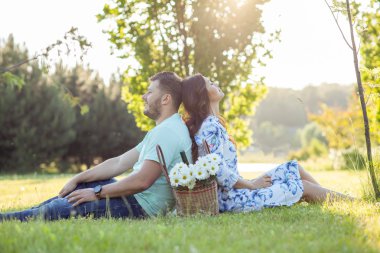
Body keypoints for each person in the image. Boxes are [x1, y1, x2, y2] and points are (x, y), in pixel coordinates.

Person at [0, 71, 192, 221]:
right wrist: (78, 177)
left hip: (140, 207)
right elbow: (119, 162)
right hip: (136, 199)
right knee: (81, 186)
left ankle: (10, 219)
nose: (144, 96)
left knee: (61, 208)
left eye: (150, 92)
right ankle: (29, 213)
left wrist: (97, 193)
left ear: (166, 99)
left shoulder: (167, 132)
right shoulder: (166, 128)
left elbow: (142, 181)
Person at [181, 73, 353, 213]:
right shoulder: (209, 126)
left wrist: (249, 184)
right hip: (232, 200)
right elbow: (219, 170)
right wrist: (251, 185)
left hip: (235, 193)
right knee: (303, 187)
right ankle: (353, 203)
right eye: (209, 83)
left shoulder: (212, 123)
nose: (214, 83)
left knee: (294, 167)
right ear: (202, 96)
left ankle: (332, 199)